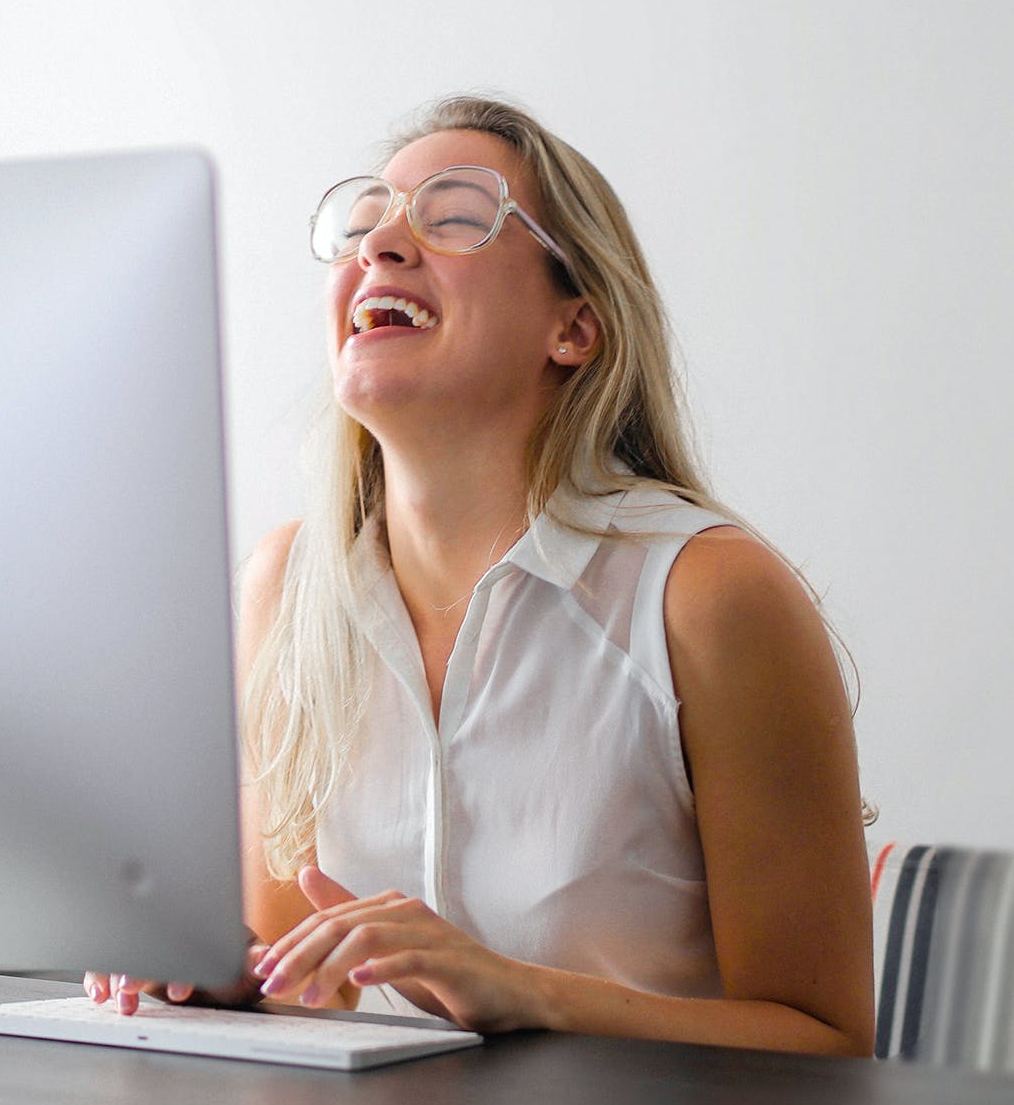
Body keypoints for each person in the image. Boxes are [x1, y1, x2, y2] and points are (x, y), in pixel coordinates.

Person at [87, 95, 874, 1053]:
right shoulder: (284, 587)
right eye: (366, 223)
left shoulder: (712, 598)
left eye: (455, 215)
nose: (382, 245)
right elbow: (306, 983)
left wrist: (522, 992)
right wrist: (216, 979)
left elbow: (828, 1044)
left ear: (574, 328)